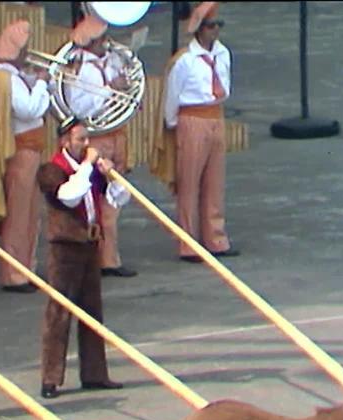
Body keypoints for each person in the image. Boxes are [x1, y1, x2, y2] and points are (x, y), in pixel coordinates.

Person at [35, 118, 126, 398]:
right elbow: (69, 197)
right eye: (80, 139)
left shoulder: (89, 171)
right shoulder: (51, 170)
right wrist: (88, 166)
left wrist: (111, 176)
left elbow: (118, 198)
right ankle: (50, 379)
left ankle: (95, 374)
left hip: (90, 243)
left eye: (87, 139)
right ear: (65, 141)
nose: (87, 145)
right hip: (64, 248)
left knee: (92, 311)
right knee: (59, 312)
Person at [152, 1, 238, 262]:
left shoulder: (222, 54)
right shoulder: (185, 61)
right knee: (189, 182)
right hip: (191, 118)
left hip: (215, 115)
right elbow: (172, 96)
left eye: (218, 25)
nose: (215, 31)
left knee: (215, 181)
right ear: (199, 29)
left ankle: (216, 237)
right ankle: (189, 242)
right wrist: (174, 125)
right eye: (211, 26)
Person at [0, 20, 51, 293]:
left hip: (30, 150)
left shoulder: (12, 76)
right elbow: (29, 109)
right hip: (21, 151)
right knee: (19, 216)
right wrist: (42, 84)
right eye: (24, 48)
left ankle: (25, 267)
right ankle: (14, 273)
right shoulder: (6, 77)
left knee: (31, 214)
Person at [65, 14, 137, 278]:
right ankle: (102, 259)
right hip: (97, 137)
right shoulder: (82, 71)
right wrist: (110, 89)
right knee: (97, 200)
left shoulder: (111, 61)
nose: (107, 42)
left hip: (117, 133)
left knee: (114, 200)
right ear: (92, 41)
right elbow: (80, 107)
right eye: (102, 37)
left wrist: (125, 86)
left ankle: (109, 257)